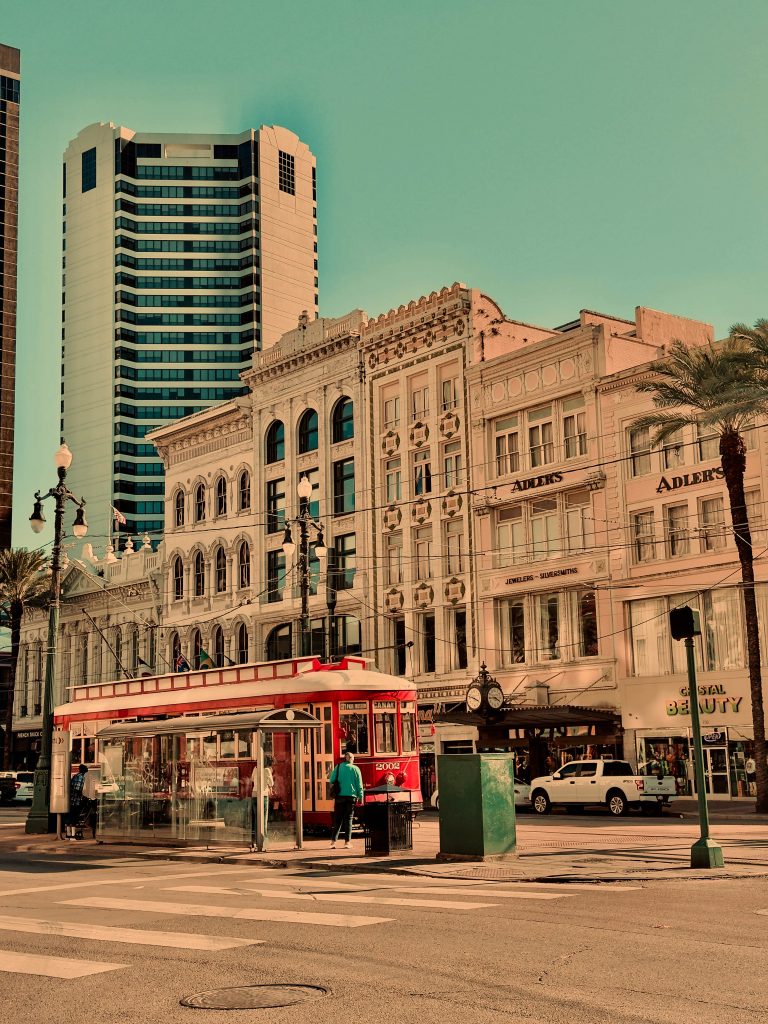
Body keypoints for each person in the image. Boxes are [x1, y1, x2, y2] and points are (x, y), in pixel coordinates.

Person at [329, 751, 364, 849]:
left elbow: (331, 780)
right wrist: (361, 797)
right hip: (351, 797)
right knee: (348, 819)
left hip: (339, 796)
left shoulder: (338, 767)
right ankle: (347, 842)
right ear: (351, 758)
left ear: (345, 758)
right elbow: (359, 785)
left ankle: (333, 842)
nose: (353, 760)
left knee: (338, 820)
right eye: (353, 758)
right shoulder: (356, 769)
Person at [251, 756, 274, 847]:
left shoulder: (255, 768)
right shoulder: (267, 770)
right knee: (263, 818)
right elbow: (271, 783)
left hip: (254, 794)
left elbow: (252, 779)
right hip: (263, 795)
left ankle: (257, 839)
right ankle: (264, 840)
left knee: (257, 818)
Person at [65, 763, 88, 840]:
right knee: (75, 817)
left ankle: (68, 835)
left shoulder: (75, 776)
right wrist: (82, 796)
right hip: (76, 800)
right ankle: (73, 835)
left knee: (69, 817)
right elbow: (78, 789)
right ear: (84, 771)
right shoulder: (81, 777)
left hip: (70, 800)